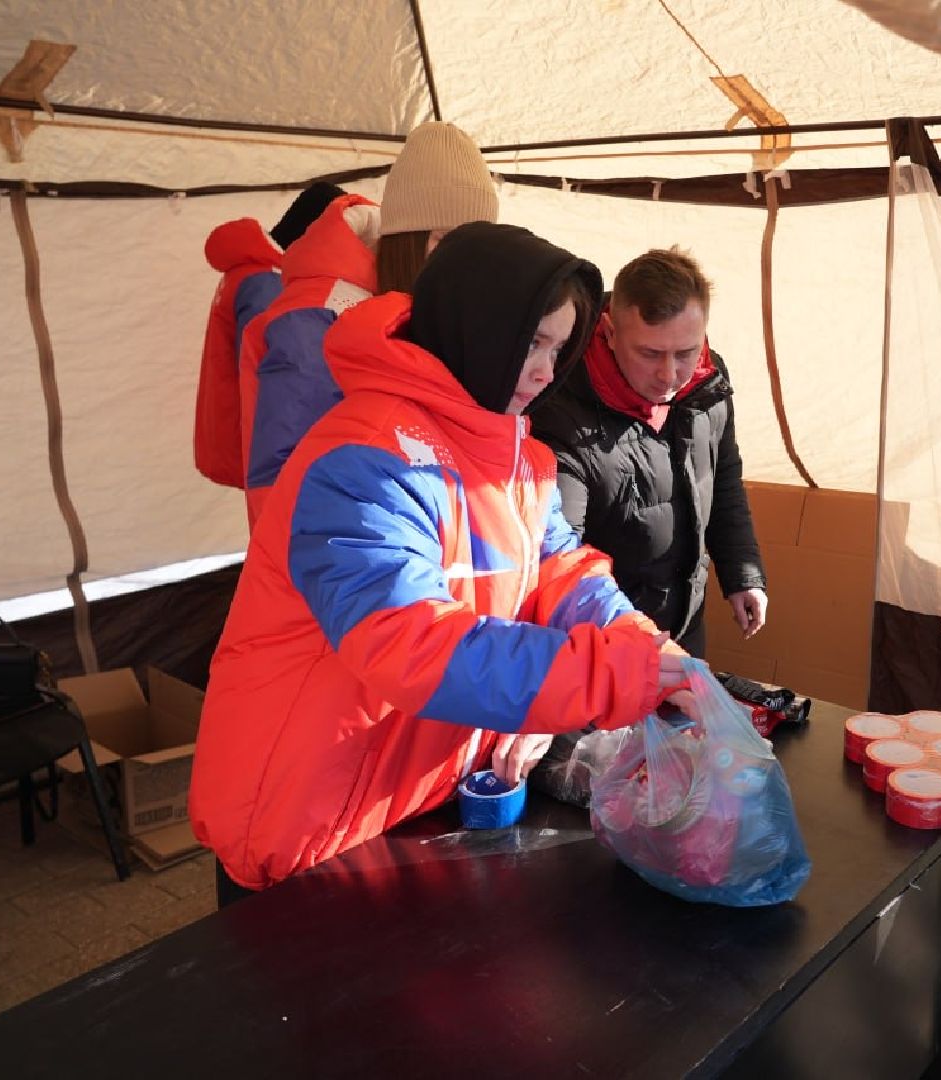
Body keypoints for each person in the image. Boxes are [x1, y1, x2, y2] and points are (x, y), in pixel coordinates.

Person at [189, 223, 686, 903]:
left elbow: (561, 572)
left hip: (408, 802)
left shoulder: (516, 458)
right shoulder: (361, 458)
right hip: (301, 819)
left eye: (558, 347)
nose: (546, 372)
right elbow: (408, 641)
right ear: (475, 330)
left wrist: (639, 642)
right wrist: (609, 676)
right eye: (531, 343)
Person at [239, 122, 499, 525]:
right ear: (407, 240)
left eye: (479, 246)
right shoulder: (317, 320)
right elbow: (282, 483)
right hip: (344, 562)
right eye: (445, 241)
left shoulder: (420, 307)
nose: (464, 263)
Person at [530, 248, 766, 659]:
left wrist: (742, 571)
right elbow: (559, 555)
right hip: (599, 648)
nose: (670, 374)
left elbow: (723, 475)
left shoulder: (708, 383)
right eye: (650, 354)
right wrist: (627, 642)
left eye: (686, 352)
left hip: (685, 630)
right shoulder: (561, 412)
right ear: (608, 331)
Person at [193, 181, 343, 489]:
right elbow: (279, 371)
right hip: (262, 440)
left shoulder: (247, 270)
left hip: (239, 427)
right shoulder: (266, 281)